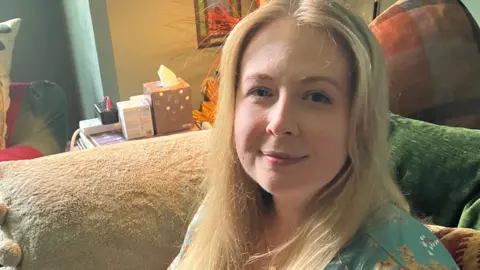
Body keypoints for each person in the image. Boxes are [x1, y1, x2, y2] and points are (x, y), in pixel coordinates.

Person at [169, 0, 459, 269]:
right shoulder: (215, 217)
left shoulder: (396, 259)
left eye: (316, 97)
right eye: (261, 91)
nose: (280, 122)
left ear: (359, 121)